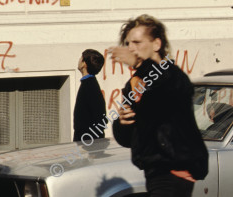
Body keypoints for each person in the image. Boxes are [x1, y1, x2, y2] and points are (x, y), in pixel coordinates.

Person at [109, 15, 208, 197]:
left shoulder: (172, 76)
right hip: (155, 170)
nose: (131, 49)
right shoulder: (135, 82)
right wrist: (123, 122)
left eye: (137, 42)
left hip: (174, 170)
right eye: (128, 43)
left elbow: (161, 99)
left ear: (156, 44)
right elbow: (127, 138)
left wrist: (141, 67)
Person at [73, 49, 106, 142]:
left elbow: (99, 119)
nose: (79, 60)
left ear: (84, 64)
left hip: (87, 145)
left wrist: (89, 147)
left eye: (81, 58)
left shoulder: (90, 86)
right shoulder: (88, 84)